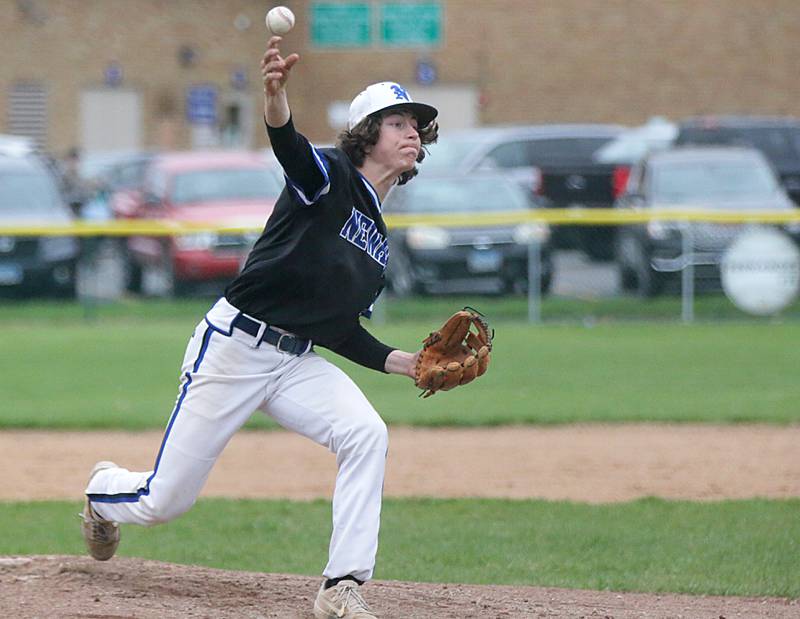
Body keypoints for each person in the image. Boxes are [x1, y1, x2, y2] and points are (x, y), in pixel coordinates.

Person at [80, 36, 438, 619]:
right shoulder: (330, 174)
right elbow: (288, 145)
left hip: (293, 362)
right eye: (397, 121)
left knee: (366, 434)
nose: (411, 132)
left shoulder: (377, 236)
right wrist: (275, 96)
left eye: (417, 124)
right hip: (234, 348)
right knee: (164, 501)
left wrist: (405, 362)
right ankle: (102, 491)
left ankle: (340, 588)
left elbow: (337, 328)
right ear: (366, 133)